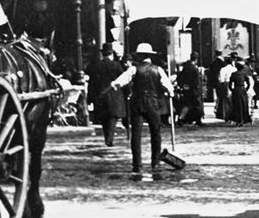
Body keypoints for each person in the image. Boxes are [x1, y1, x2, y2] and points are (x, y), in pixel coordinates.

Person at [109, 42, 174, 176]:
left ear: (139, 56)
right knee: (155, 132)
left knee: (136, 135)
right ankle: (155, 162)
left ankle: (137, 164)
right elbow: (168, 86)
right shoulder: (158, 70)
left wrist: (114, 84)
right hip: (152, 103)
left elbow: (120, 81)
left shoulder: (134, 69)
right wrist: (170, 92)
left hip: (137, 103)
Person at [87, 43, 125, 146]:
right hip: (114, 95)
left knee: (104, 118)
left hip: (100, 95)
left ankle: (106, 137)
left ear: (103, 54)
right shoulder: (116, 66)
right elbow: (123, 80)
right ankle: (110, 138)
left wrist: (90, 98)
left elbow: (92, 83)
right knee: (112, 118)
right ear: (111, 54)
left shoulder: (96, 66)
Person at [176, 52, 205, 127]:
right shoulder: (194, 68)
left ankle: (182, 118)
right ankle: (196, 120)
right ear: (196, 59)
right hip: (194, 90)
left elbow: (179, 78)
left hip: (187, 89)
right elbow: (196, 81)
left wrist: (183, 85)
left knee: (187, 105)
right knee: (197, 105)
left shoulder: (186, 67)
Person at [227, 57, 253, 126]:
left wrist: (232, 90)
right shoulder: (244, 74)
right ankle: (244, 119)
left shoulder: (234, 74)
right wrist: (246, 89)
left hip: (236, 89)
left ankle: (237, 119)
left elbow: (229, 84)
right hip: (242, 89)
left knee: (236, 105)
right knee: (244, 105)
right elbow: (249, 83)